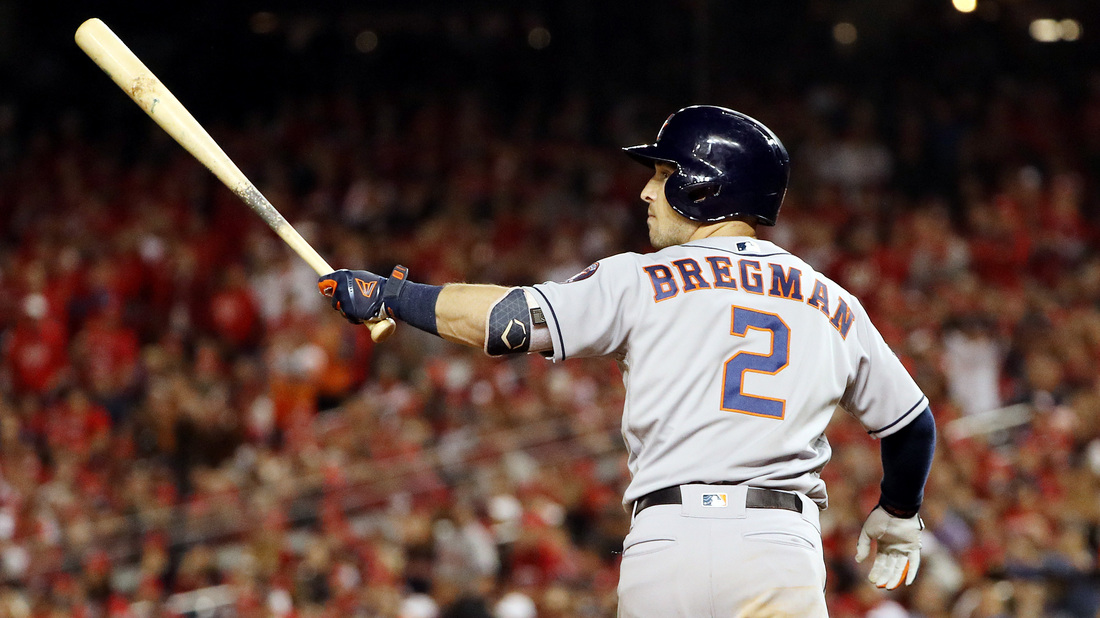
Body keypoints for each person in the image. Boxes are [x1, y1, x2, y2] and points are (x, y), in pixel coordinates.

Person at [318, 105, 936, 617]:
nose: (646, 190)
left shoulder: (642, 279)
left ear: (704, 187)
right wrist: (899, 512)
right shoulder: (833, 303)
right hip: (777, 547)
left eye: (664, 174)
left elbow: (507, 320)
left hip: (667, 543)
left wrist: (393, 296)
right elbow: (912, 426)